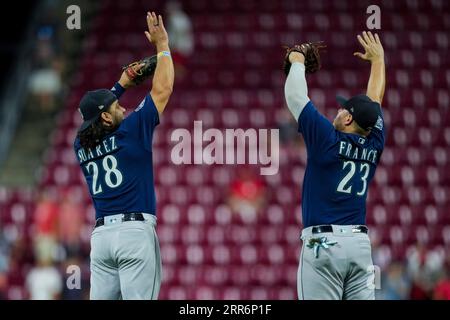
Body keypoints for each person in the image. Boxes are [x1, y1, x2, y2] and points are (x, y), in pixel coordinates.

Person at [73, 11, 174, 300]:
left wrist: (120, 86)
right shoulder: (131, 132)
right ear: (105, 118)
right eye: (116, 106)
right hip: (134, 234)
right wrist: (163, 46)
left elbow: (94, 120)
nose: (122, 108)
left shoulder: (81, 147)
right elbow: (163, 88)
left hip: (102, 240)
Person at [284, 31, 386, 300]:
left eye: (343, 110)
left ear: (349, 120)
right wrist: (378, 63)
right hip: (360, 246)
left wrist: (297, 60)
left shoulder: (326, 139)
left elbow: (296, 97)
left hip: (323, 245)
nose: (338, 111)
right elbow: (374, 102)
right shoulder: (374, 142)